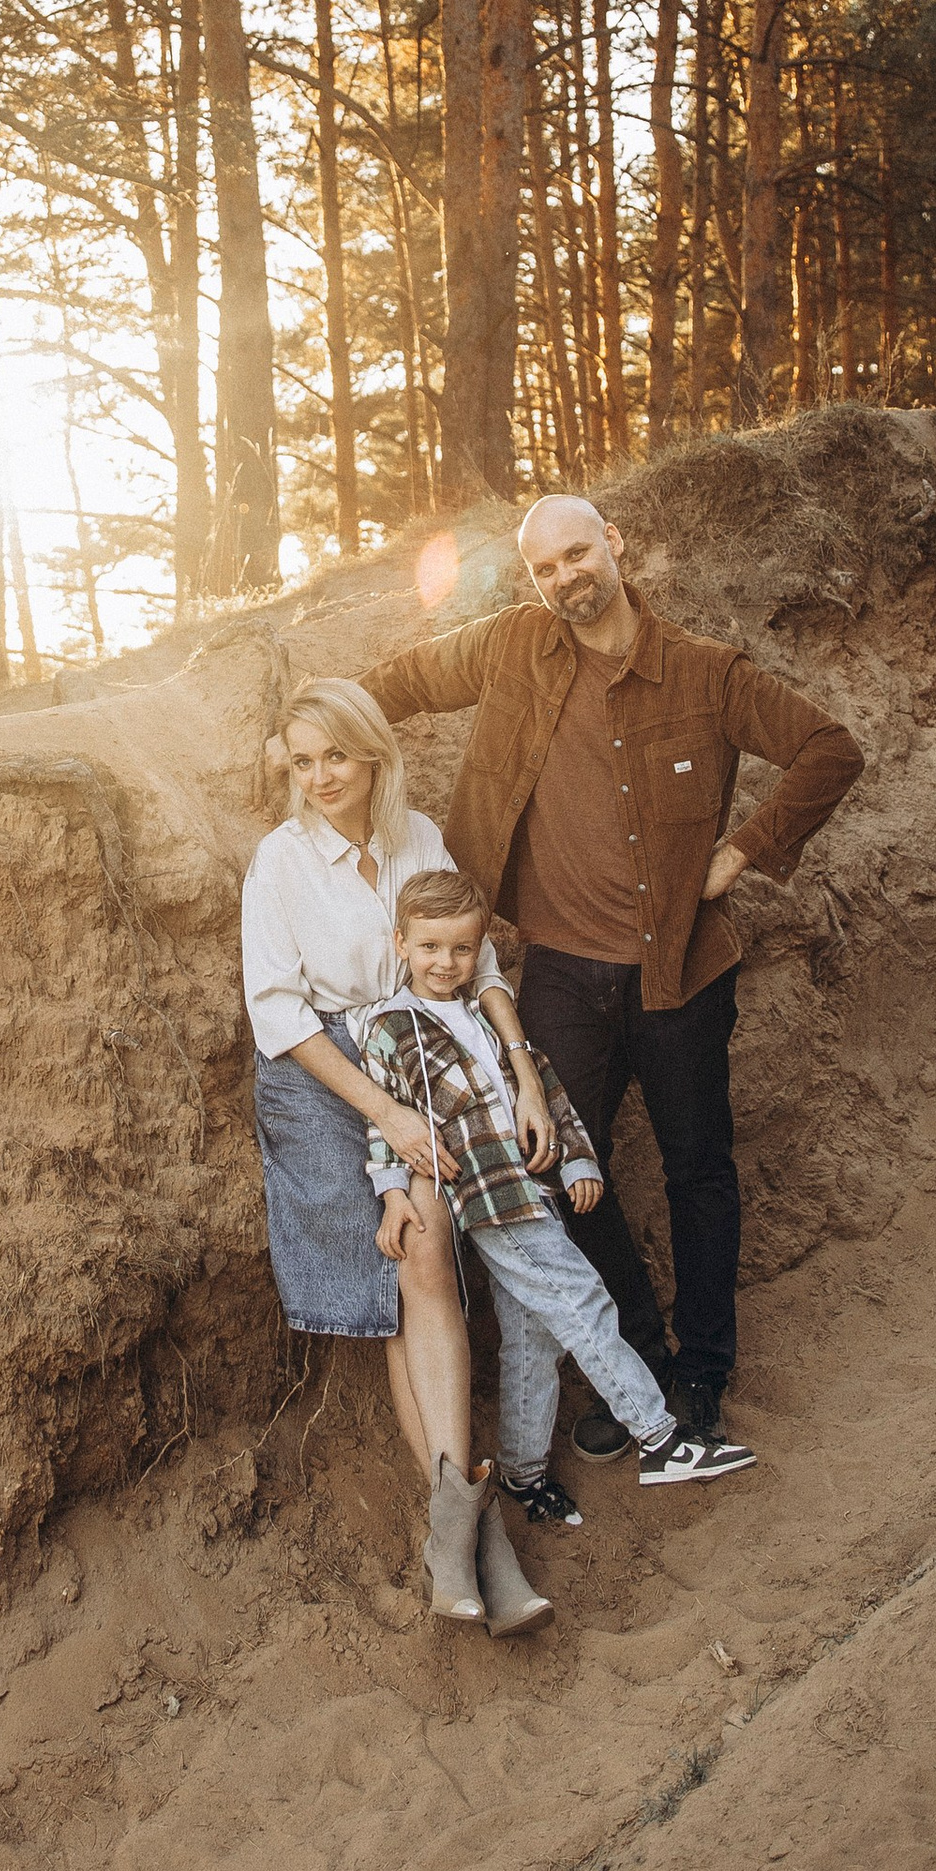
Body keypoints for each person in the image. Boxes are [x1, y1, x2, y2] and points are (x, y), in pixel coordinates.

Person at [360, 496, 863, 1460]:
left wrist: (739, 853)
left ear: (615, 545)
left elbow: (828, 750)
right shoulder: (512, 645)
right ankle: (639, 1358)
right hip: (559, 972)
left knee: (697, 1171)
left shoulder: (708, 674)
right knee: (552, 1165)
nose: (565, 579)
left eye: (577, 554)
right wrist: (312, 726)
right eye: (544, 568)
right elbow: (408, 680)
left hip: (680, 974)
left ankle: (702, 1376)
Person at [239, 678, 552, 1627]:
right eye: (302, 761)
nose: (320, 777)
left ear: (373, 753)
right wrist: (386, 1112)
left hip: (422, 1051)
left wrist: (524, 1072)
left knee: (430, 1253)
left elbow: (477, 962)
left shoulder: (417, 836)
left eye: (336, 754)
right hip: (323, 1078)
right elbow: (278, 1013)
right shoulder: (281, 861)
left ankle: (455, 1535)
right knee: (400, 1260)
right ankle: (481, 1539)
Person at [360, 873, 750, 1611]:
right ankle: (659, 1435)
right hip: (489, 1199)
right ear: (402, 944)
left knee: (533, 1336)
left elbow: (543, 1085)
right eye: (431, 948)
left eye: (462, 949)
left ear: (480, 950)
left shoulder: (486, 1015)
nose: (446, 962)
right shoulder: (391, 1028)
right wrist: (390, 1197)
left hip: (533, 1183)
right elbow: (382, 1124)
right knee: (582, 1300)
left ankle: (524, 1474)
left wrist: (575, 1160)